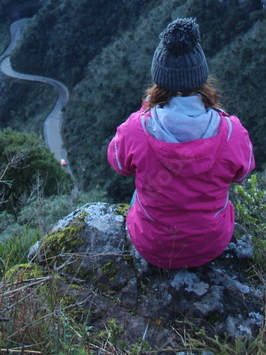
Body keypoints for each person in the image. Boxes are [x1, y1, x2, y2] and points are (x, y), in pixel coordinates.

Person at [107, 17, 254, 270]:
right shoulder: (232, 132)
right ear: (201, 77)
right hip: (211, 244)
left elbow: (119, 164)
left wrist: (144, 113)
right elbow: (242, 174)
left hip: (153, 246)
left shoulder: (137, 128)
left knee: (138, 192)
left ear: (158, 79)